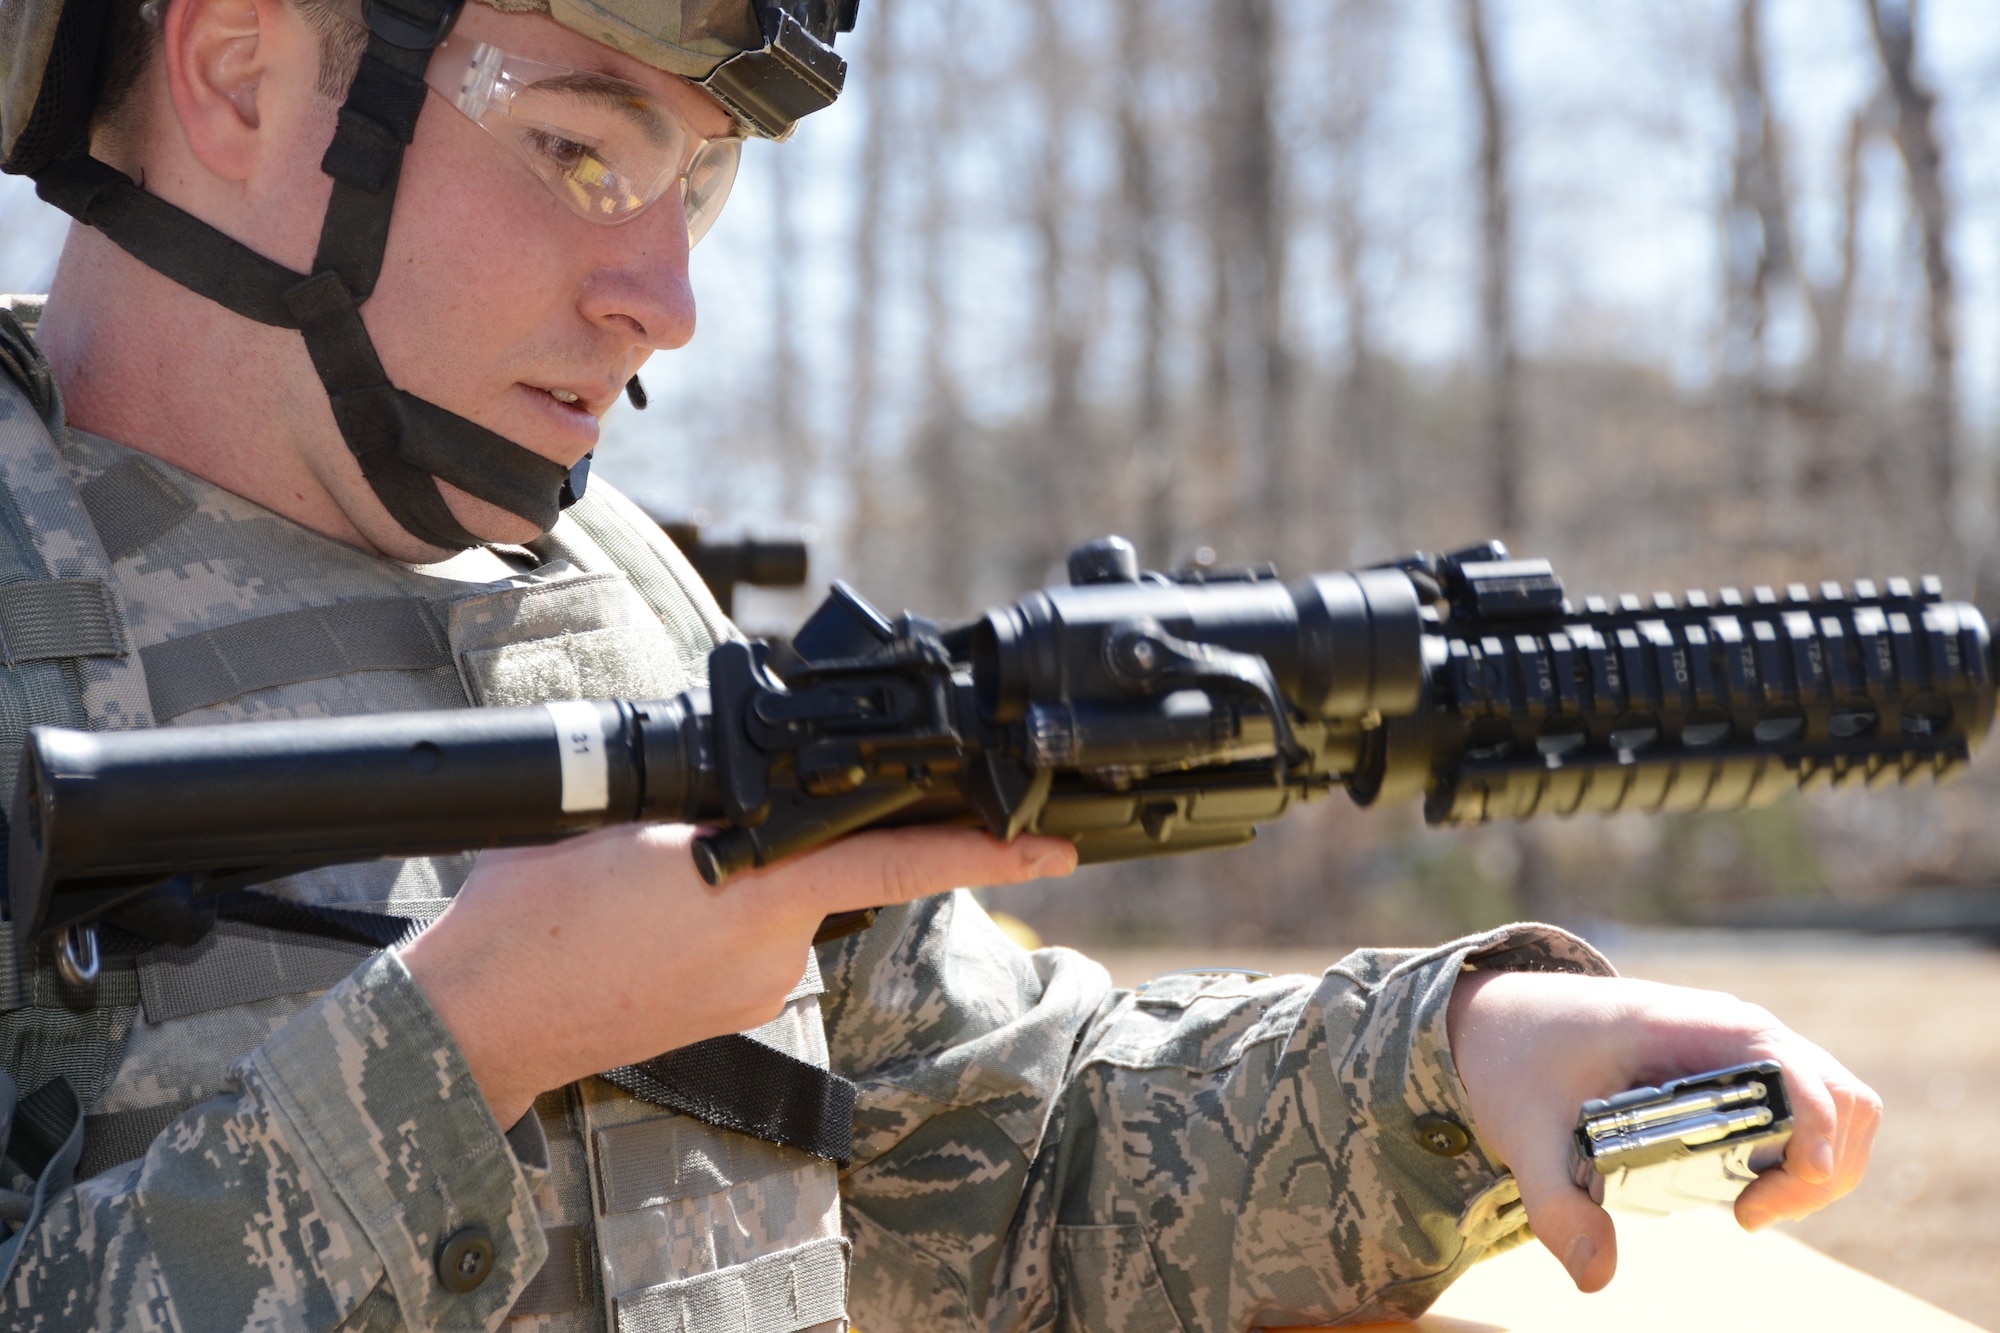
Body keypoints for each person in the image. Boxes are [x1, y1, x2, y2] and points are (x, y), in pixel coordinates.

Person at [0, 0, 1879, 1328]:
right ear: (239, 73)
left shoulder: (622, 603)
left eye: (698, 186)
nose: (666, 295)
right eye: (577, 150)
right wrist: (455, 1050)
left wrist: (1461, 1056)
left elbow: (1019, 1156)